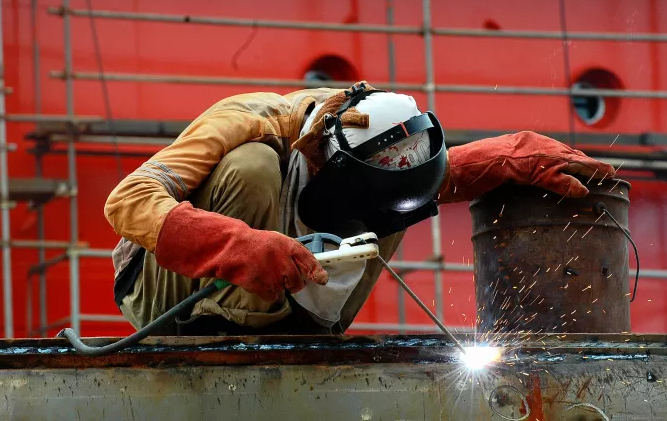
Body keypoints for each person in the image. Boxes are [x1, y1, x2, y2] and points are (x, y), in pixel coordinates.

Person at [104, 81, 615, 336]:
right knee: (252, 167)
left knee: (398, 199)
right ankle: (230, 332)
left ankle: (304, 329)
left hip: (292, 307)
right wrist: (235, 245)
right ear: (329, 165)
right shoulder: (250, 120)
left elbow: (406, 179)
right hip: (166, 295)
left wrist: (505, 156)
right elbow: (127, 201)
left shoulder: (377, 149)